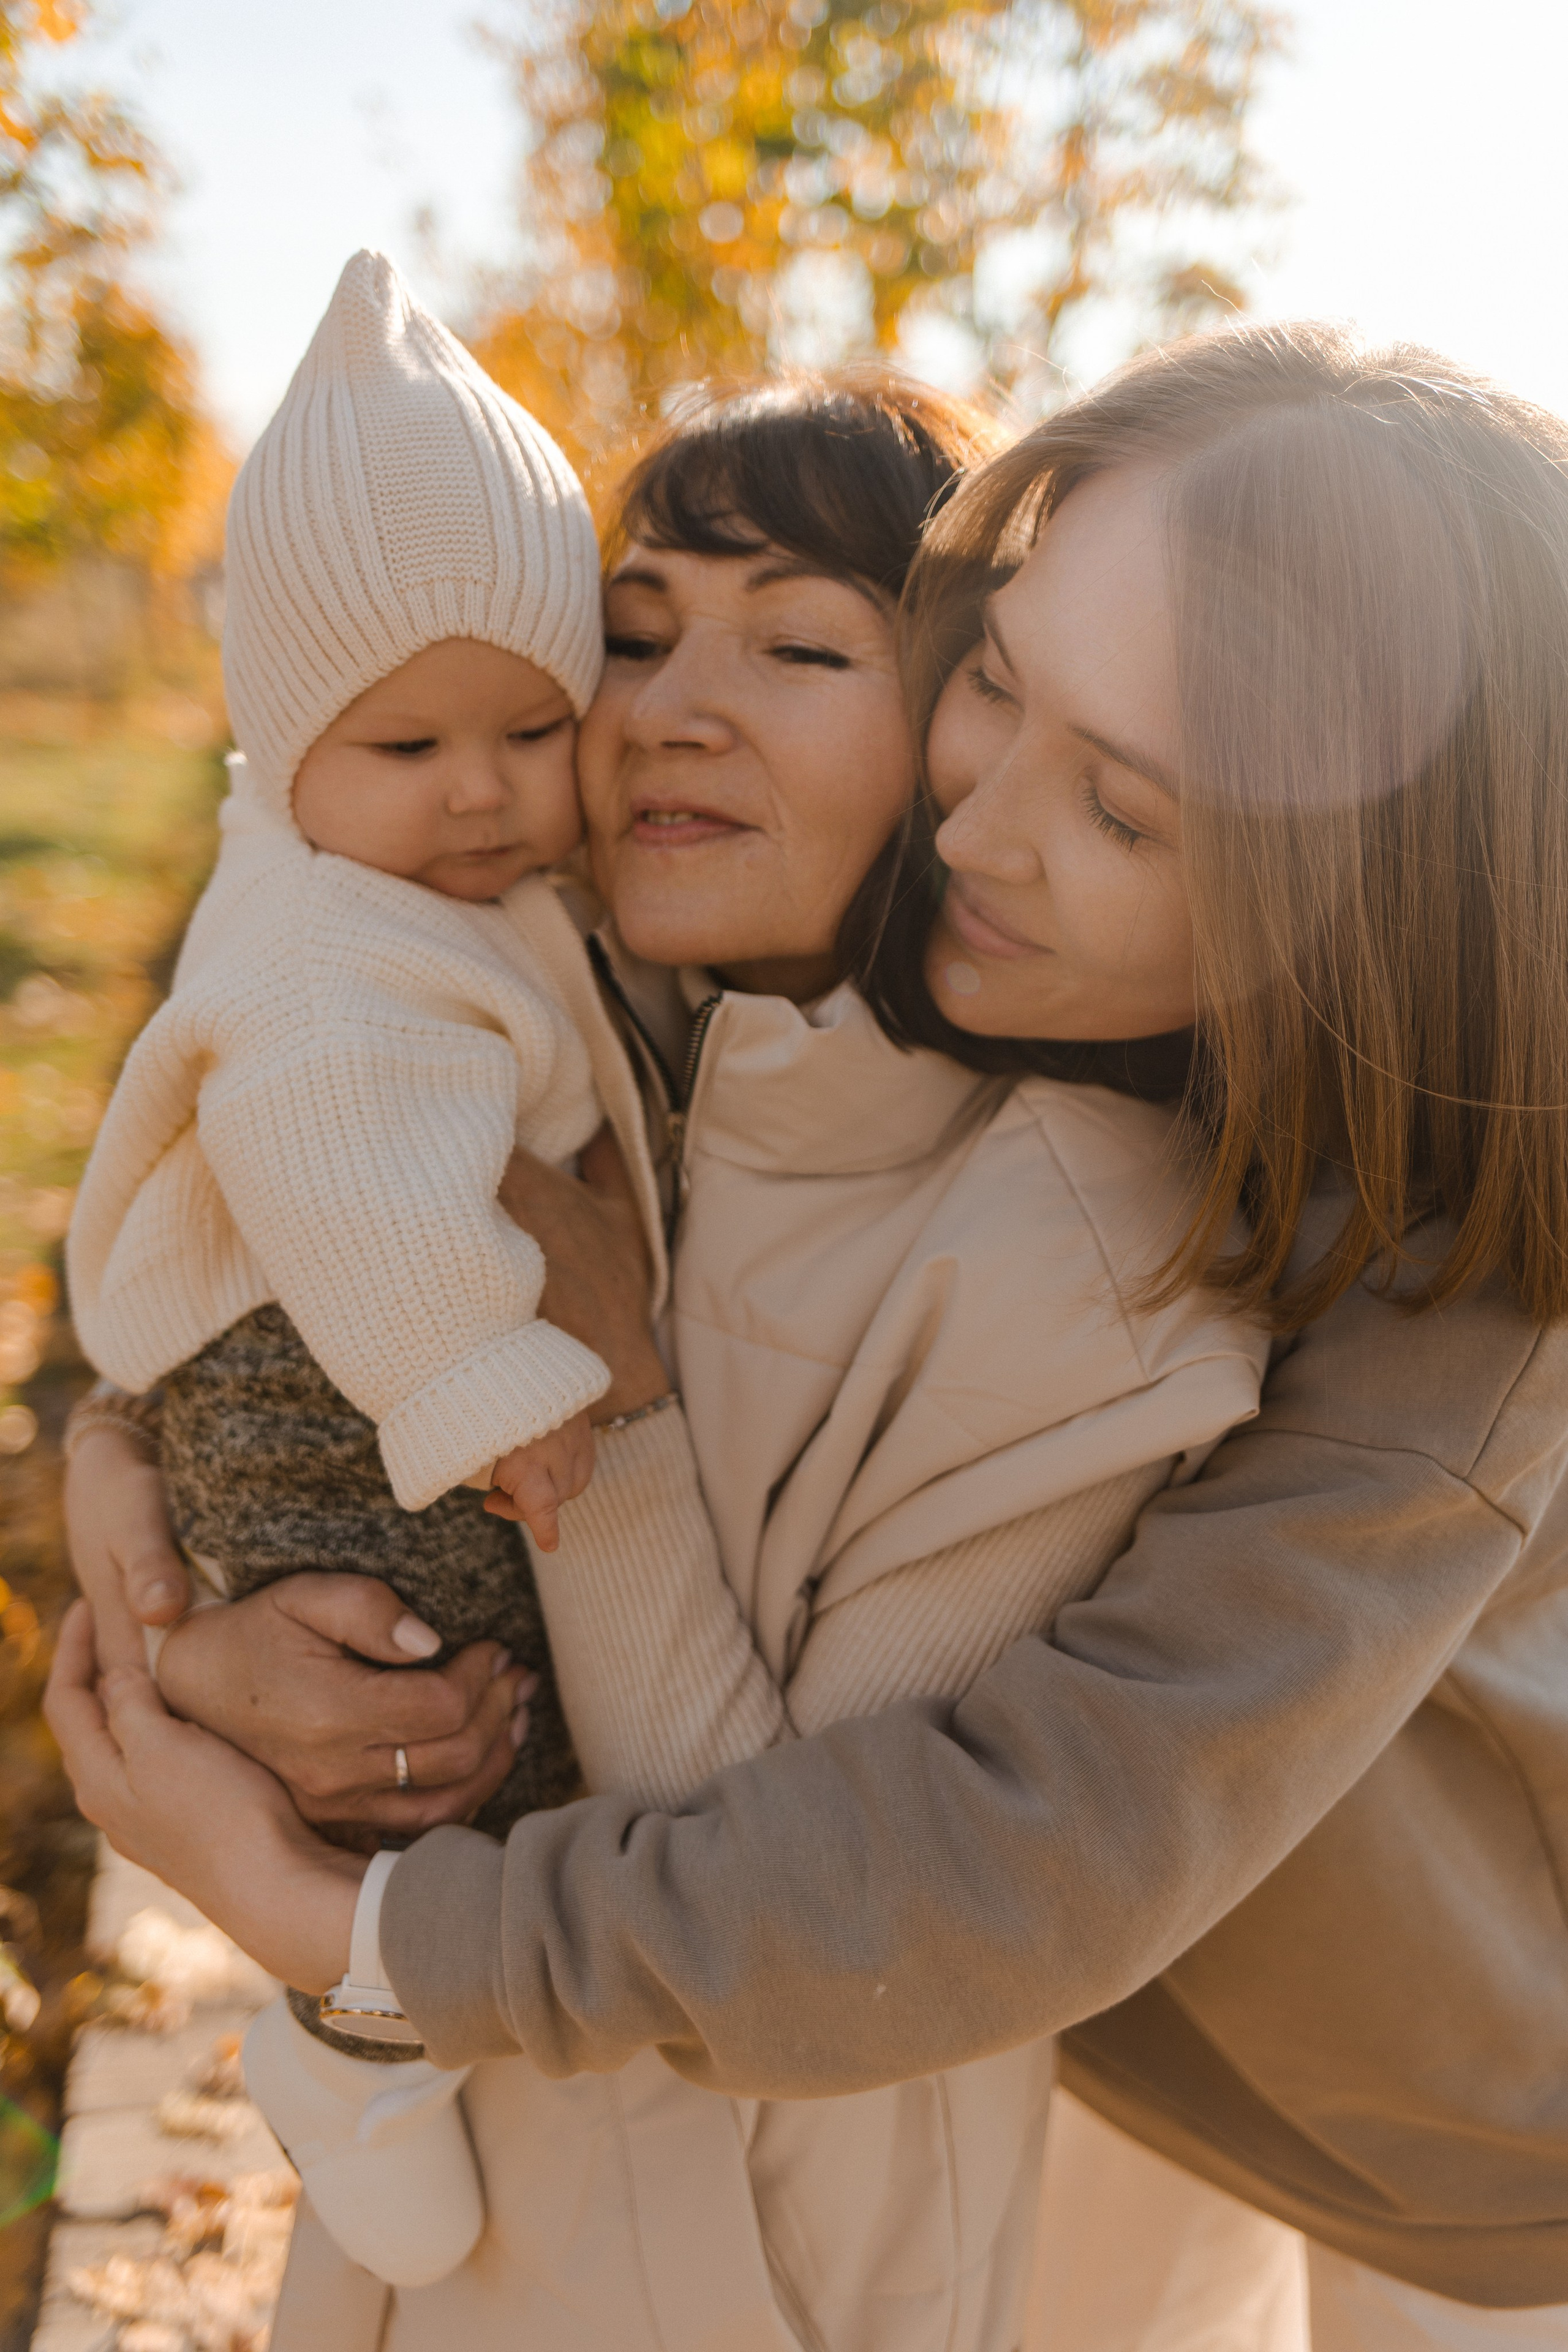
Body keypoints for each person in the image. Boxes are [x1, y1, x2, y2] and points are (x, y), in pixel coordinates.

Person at [52, 322, 1568, 2348]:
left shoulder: (1414, 1297)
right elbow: (304, 1155)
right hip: (1021, 2025)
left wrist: (360, 1932)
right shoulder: (693, 997)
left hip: (1412, 2131)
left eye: (1120, 808)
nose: (982, 823)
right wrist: (148, 1511)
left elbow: (1013, 1857)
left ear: (1362, 894)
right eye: (996, 686)